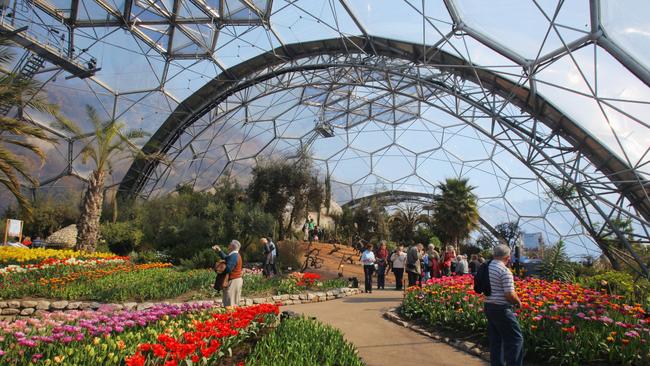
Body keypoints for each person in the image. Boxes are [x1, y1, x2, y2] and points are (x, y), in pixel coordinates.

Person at [485, 244, 524, 366]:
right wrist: (518, 302)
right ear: (507, 257)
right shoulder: (504, 271)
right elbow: (509, 294)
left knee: (496, 340)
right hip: (501, 308)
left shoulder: (487, 267)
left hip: (488, 305)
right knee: (516, 339)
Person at [213, 240, 244, 307]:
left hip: (234, 281)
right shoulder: (234, 255)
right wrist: (219, 251)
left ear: (232, 246)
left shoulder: (234, 255)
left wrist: (219, 270)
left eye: (229, 244)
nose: (228, 245)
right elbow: (226, 258)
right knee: (230, 302)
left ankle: (231, 317)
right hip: (235, 280)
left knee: (231, 304)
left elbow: (228, 268)